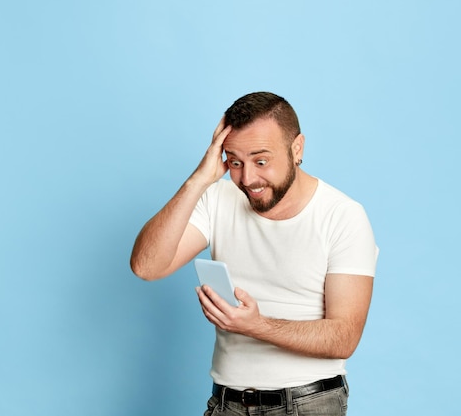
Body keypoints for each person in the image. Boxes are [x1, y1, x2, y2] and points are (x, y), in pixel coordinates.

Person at [130, 92, 379, 415]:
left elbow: (344, 337)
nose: (247, 179)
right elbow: (147, 267)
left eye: (261, 161)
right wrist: (199, 180)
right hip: (227, 404)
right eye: (235, 162)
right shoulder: (219, 197)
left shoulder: (343, 215)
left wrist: (256, 325)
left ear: (297, 148)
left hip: (307, 404)